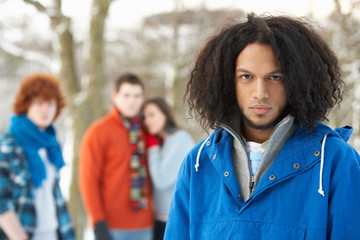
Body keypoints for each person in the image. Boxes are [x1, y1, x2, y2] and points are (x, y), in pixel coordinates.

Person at [164, 13, 360, 239]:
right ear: (227, 81)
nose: (260, 93)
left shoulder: (337, 162)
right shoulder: (198, 164)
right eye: (246, 76)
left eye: (275, 77)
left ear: (298, 81)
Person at [0, 73, 75, 240]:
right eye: (39, 103)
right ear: (26, 105)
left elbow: (54, 194)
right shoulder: (7, 145)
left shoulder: (52, 144)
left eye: (50, 103)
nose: (46, 110)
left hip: (55, 232)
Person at [79, 73, 153, 240]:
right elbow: (88, 181)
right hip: (111, 226)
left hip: (146, 225)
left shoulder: (148, 130)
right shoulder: (98, 132)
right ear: (115, 96)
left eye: (137, 96)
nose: (132, 101)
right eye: (126, 95)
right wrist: (98, 222)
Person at [142, 98, 194, 240]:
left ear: (165, 115)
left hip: (174, 221)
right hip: (160, 218)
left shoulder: (179, 139)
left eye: (152, 115)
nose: (147, 121)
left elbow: (161, 179)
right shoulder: (165, 141)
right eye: (145, 117)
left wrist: (152, 147)